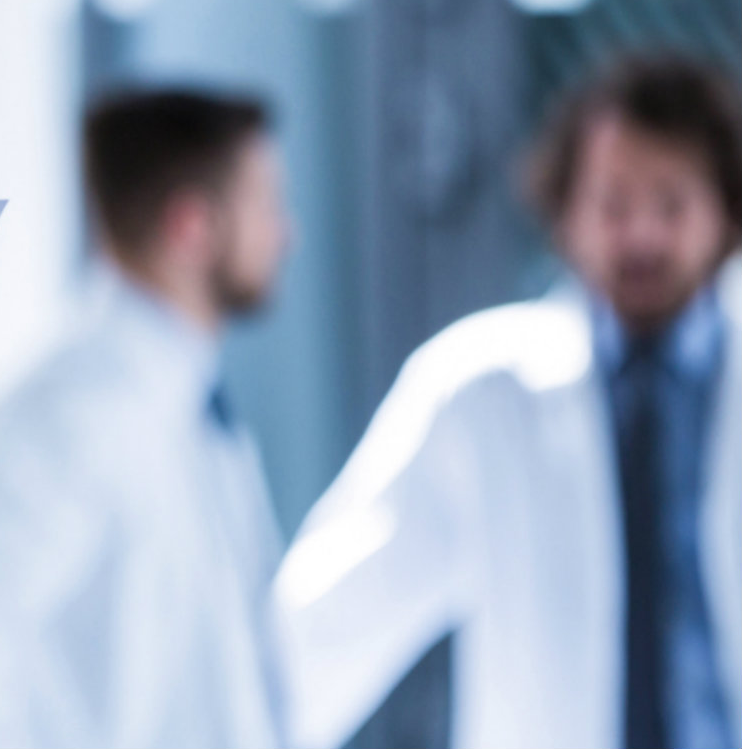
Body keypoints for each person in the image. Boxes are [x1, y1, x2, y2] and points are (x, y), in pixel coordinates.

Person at [274, 54, 742, 749]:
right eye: (614, 204)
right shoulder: (480, 394)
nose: (642, 235)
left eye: (671, 204)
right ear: (565, 213)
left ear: (728, 210)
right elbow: (331, 621)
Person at [0, 88, 293, 748]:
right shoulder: (85, 405)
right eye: (267, 205)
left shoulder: (183, 395)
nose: (286, 233)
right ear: (192, 225)